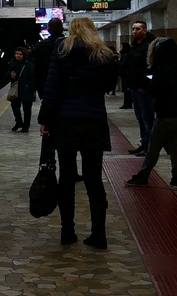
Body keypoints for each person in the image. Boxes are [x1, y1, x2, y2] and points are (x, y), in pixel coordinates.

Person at [37, 17, 119, 248]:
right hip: (93, 120)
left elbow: (51, 88)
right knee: (94, 178)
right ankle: (98, 234)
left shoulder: (61, 51)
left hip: (65, 121)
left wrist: (45, 120)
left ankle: (67, 231)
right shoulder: (103, 54)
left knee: (66, 177)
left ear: (71, 30)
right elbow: (109, 86)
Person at [126, 37, 177, 188]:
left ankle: (143, 175)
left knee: (153, 146)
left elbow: (155, 90)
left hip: (165, 114)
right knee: (176, 146)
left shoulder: (161, 69)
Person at [32, 17, 65, 165]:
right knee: (64, 131)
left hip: (47, 90)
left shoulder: (41, 46)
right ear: (62, 28)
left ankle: (48, 162)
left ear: (48, 30)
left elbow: (37, 70)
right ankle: (69, 168)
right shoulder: (66, 45)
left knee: (48, 127)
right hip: (65, 93)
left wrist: (40, 92)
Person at [122, 21, 154, 155]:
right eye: (133, 29)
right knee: (140, 117)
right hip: (134, 86)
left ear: (145, 30)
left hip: (143, 87)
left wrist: (144, 85)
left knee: (147, 117)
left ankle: (150, 146)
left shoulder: (149, 46)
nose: (135, 31)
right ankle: (143, 142)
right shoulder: (133, 46)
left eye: (138, 29)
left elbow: (150, 68)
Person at [6, 45, 35, 131]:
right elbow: (7, 73)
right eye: (16, 54)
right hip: (16, 89)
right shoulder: (12, 62)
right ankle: (18, 122)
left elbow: (33, 77)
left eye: (20, 54)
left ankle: (26, 126)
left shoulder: (29, 64)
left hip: (26, 89)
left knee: (27, 108)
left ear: (24, 55)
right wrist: (10, 75)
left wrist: (31, 87)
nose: (18, 55)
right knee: (14, 106)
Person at [118, 42, 133, 108]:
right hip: (125, 74)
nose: (120, 48)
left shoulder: (126, 55)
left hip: (127, 75)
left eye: (121, 47)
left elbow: (123, 63)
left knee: (127, 90)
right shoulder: (124, 54)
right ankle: (126, 103)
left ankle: (127, 103)